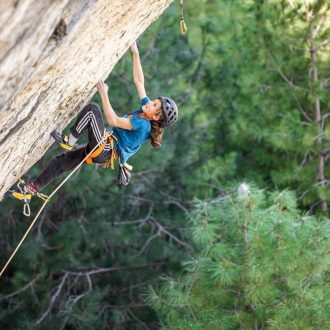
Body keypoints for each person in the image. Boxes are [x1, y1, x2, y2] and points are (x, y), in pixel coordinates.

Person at [7, 41, 178, 202]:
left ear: (156, 116)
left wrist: (104, 95)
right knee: (60, 162)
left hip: (105, 149)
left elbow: (113, 120)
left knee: (92, 110)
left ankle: (70, 141)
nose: (149, 102)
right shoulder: (145, 112)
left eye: (154, 104)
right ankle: (30, 191)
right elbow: (139, 81)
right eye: (153, 101)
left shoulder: (143, 125)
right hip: (104, 147)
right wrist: (135, 53)